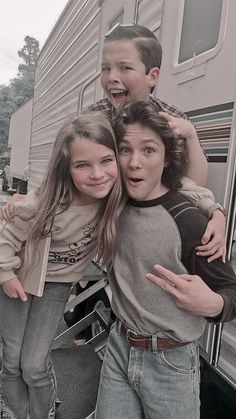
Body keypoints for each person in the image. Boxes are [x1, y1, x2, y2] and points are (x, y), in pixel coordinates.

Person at [94, 100, 236, 419]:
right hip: (118, 347)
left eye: (148, 150)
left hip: (170, 362)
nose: (134, 163)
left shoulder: (188, 221)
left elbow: (232, 292)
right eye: (125, 149)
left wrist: (212, 304)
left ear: (165, 157)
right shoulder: (111, 203)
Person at [0, 111, 122, 419]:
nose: (97, 174)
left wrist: (211, 208)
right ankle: (19, 411)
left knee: (34, 364)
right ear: (67, 168)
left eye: (106, 161)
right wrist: (4, 274)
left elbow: (173, 186)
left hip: (55, 287)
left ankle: (43, 412)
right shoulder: (49, 204)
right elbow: (7, 237)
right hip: (16, 280)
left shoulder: (114, 203)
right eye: (83, 165)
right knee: (12, 360)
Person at [84, 23, 227, 260]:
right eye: (105, 68)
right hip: (99, 228)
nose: (112, 78)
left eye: (124, 68)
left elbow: (191, 184)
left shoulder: (172, 119)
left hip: (148, 227)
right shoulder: (91, 119)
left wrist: (190, 135)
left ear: (152, 76)